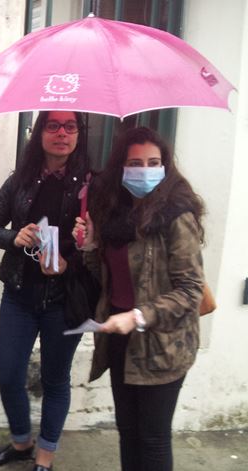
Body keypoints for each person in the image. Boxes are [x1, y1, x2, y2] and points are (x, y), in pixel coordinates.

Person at [74, 127, 205, 471]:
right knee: (127, 431)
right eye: (135, 163)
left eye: (153, 162)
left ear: (165, 166)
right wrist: (89, 245)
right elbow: (106, 278)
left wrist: (139, 315)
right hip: (120, 338)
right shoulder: (113, 214)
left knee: (153, 437)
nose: (145, 170)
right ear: (121, 168)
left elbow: (190, 289)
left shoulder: (177, 215)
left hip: (163, 343)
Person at [0, 111, 90, 471]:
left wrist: (85, 242)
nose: (61, 133)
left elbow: (109, 245)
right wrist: (15, 237)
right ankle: (22, 442)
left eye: (70, 126)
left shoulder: (91, 185)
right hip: (20, 293)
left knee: (55, 379)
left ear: (78, 134)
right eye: (52, 125)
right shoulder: (21, 180)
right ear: (39, 132)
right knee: (10, 374)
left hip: (66, 299)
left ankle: (45, 457)